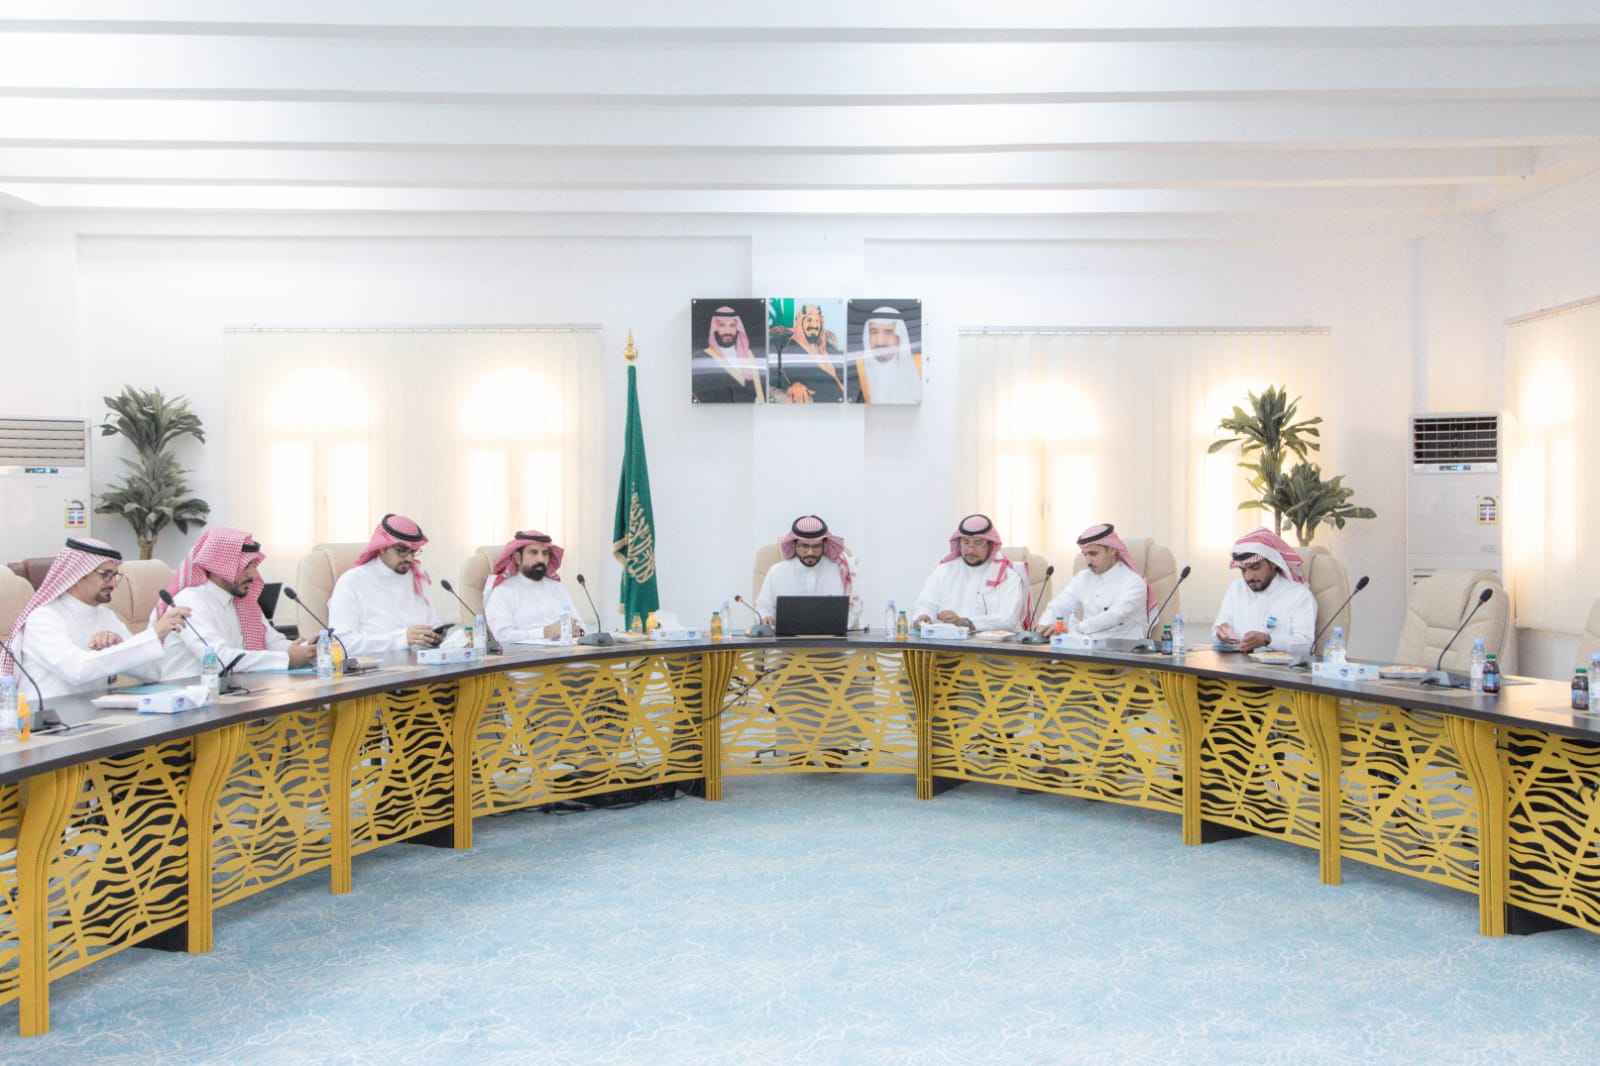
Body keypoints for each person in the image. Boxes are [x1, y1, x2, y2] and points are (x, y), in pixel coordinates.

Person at [3, 537, 191, 699]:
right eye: (106, 575)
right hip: (49, 722)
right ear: (77, 574)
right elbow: (77, 671)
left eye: (115, 576)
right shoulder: (43, 618)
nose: (114, 584)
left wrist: (119, 645)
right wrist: (153, 634)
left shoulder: (107, 616)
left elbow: (153, 673)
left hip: (97, 716)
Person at [156, 527, 316, 679]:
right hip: (188, 692)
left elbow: (273, 642)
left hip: (233, 689)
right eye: (245, 566)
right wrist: (287, 659)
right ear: (218, 567)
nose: (253, 574)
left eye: (253, 565)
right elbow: (218, 658)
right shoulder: (190, 602)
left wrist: (310, 649)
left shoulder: (242, 601)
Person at [326, 513, 444, 654]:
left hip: (422, 662)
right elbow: (341, 643)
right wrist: (402, 638)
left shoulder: (417, 576)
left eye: (413, 552)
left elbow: (433, 624)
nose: (409, 558)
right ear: (382, 548)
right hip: (376, 665)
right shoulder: (352, 581)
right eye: (401, 551)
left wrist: (437, 636)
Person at [910, 514, 1029, 632]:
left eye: (978, 543)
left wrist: (965, 623)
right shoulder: (944, 570)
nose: (970, 550)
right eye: (966, 542)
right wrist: (923, 617)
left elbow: (1007, 620)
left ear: (990, 544)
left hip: (989, 643)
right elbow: (926, 603)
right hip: (947, 641)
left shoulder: (1007, 576)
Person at [1035, 523, 1154, 639]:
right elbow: (1059, 605)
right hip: (1088, 644)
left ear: (1112, 550)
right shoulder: (1083, 577)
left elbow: (1114, 615)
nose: (1088, 561)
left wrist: (1075, 628)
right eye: (1085, 554)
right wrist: (1044, 627)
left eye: (1093, 553)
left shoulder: (1133, 582)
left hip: (1125, 646)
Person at [1213, 527, 1317, 657]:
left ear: (1273, 563)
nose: (1249, 577)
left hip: (1280, 668)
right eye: (1243, 570)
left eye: (1255, 567)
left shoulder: (1299, 595)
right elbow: (1218, 630)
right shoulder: (1236, 588)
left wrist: (1268, 640)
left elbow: (1306, 644)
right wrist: (1221, 635)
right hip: (1237, 663)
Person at [755, 515, 862, 628]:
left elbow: (854, 607)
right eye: (804, 546)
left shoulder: (839, 570)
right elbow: (763, 608)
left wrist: (840, 627)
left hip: (832, 638)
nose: (810, 552)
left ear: (824, 545)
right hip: (786, 639)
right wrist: (766, 617)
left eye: (816, 546)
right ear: (795, 545)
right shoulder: (777, 572)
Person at [482, 529, 583, 643]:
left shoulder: (558, 588)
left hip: (566, 650)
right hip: (526, 653)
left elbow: (581, 626)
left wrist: (578, 631)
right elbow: (503, 636)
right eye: (534, 552)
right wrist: (545, 632)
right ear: (518, 558)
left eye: (545, 553)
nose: (541, 559)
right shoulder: (502, 592)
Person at [771, 303, 847, 404]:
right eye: (809, 320)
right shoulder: (786, 347)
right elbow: (774, 379)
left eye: (817, 320)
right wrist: (792, 387)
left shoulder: (827, 347)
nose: (814, 325)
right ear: (800, 322)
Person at [692, 305, 765, 403]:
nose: (728, 331)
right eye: (722, 325)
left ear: (738, 328)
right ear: (715, 328)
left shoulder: (750, 355)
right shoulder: (702, 358)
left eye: (732, 325)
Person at [850, 305, 922, 404]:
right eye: (874, 332)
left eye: (888, 332)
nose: (880, 341)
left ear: (899, 336)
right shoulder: (857, 369)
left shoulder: (920, 366)